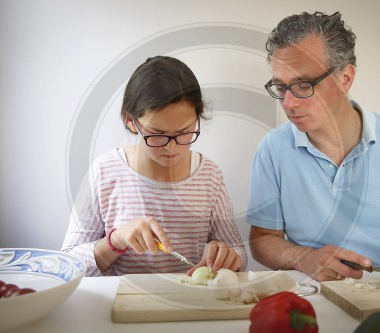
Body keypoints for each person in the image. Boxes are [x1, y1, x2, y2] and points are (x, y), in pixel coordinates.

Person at [247, 11, 380, 290]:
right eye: (280, 86)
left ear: (345, 78)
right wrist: (303, 257)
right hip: (311, 293)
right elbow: (262, 239)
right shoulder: (272, 149)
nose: (288, 103)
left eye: (304, 85)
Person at [62, 56, 247, 276]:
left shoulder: (209, 175)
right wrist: (115, 241)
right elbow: (68, 263)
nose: (172, 148)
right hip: (122, 305)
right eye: (157, 134)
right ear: (131, 121)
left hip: (191, 304)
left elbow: (239, 257)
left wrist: (228, 256)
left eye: (184, 132)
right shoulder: (105, 171)